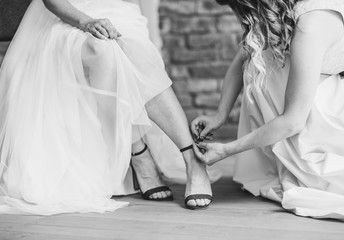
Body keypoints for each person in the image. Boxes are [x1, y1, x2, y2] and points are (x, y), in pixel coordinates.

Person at [0, 0, 215, 215]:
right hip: (65, 16)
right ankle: (139, 154)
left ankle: (192, 159)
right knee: (102, 48)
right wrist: (86, 22)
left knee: (130, 48)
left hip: (118, 10)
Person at [192, 0, 344, 223]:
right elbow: (245, 55)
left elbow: (293, 121)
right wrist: (220, 115)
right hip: (341, 82)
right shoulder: (290, 9)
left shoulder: (311, 24)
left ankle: (308, 161)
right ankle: (286, 158)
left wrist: (227, 150)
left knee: (267, 67)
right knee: (260, 57)